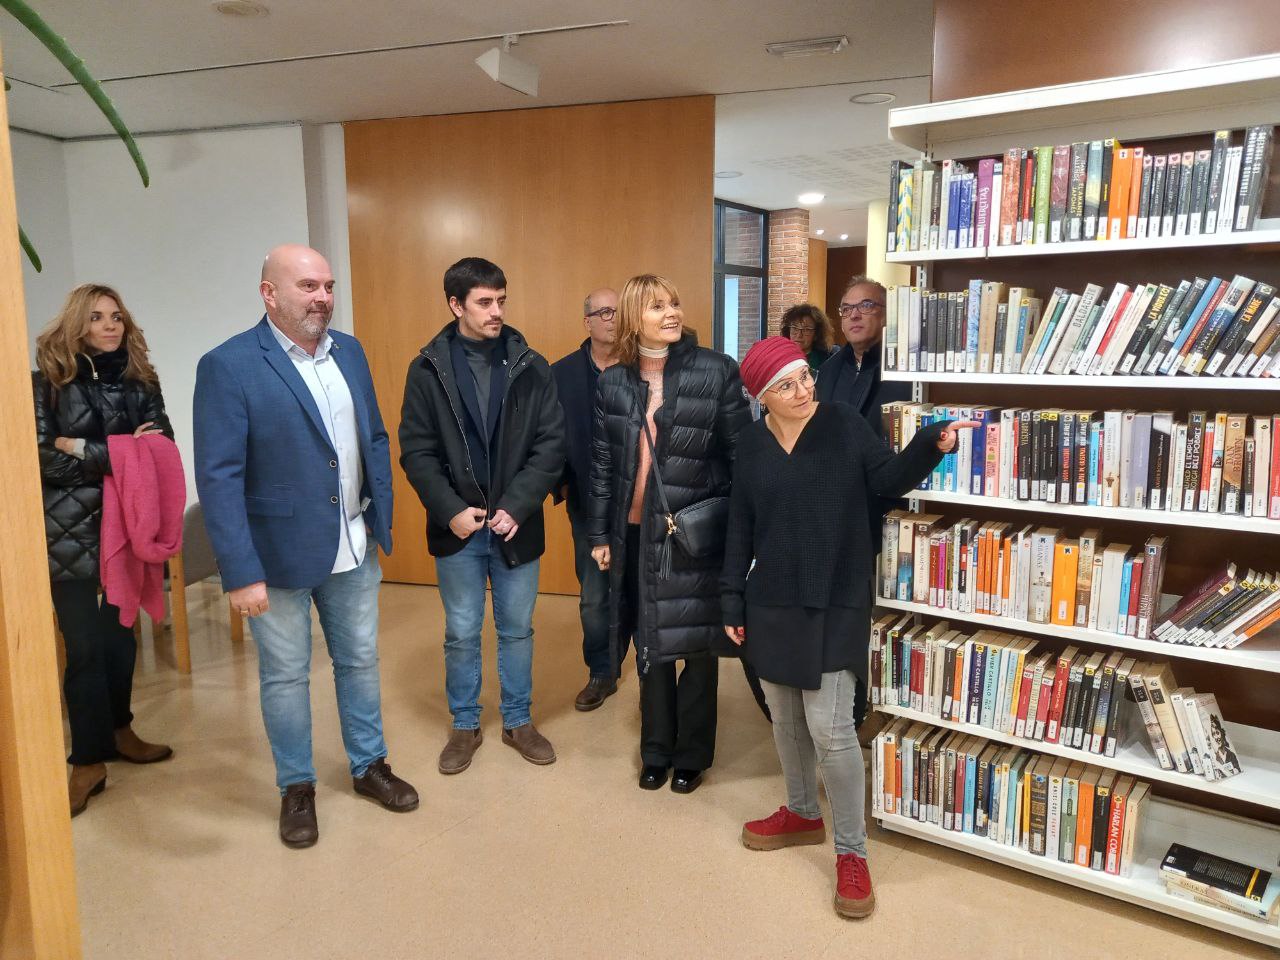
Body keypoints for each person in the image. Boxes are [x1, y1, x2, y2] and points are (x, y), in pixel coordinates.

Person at [721, 336, 973, 919]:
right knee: (783, 717)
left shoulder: (842, 424)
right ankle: (802, 811)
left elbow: (888, 479)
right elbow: (740, 524)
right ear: (763, 397)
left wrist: (930, 445)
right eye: (787, 385)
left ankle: (852, 852)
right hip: (772, 600)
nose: (805, 389)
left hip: (835, 598)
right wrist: (732, 600)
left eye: (806, 376)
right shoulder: (752, 446)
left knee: (831, 729)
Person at [194, 244, 418, 849]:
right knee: (287, 677)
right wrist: (240, 572)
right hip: (277, 556)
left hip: (353, 542)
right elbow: (218, 479)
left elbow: (371, 434)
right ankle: (297, 788)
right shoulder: (230, 365)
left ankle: (370, 765)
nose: (321, 297)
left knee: (361, 662)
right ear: (269, 293)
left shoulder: (350, 350)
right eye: (306, 286)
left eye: (327, 285)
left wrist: (379, 519)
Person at [399, 257, 566, 775]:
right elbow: (416, 450)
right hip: (459, 530)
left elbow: (551, 444)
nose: (497, 312)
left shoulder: (530, 365)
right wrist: (449, 510)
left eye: (502, 300)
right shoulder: (427, 368)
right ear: (455, 305)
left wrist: (518, 504)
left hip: (516, 525)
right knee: (463, 630)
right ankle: (465, 725)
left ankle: (518, 720)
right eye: (485, 302)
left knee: (517, 628)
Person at [587, 274, 750, 794]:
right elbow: (602, 465)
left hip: (694, 536)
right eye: (658, 306)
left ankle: (693, 755)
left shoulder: (716, 371)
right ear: (636, 317)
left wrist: (739, 533)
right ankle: (655, 750)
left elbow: (740, 454)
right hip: (635, 535)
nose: (672, 313)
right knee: (652, 647)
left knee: (699, 650)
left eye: (674, 303)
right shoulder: (613, 381)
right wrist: (600, 535)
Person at [34, 284, 175, 817]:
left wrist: (85, 448)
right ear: (77, 324)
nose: (110, 325)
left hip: (126, 529)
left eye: (116, 316)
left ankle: (121, 730)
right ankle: (87, 761)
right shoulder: (45, 384)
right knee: (85, 648)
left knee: (120, 640)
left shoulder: (142, 382)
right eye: (97, 317)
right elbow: (46, 462)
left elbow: (161, 453)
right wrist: (122, 453)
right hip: (66, 532)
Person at [552, 287, 620, 711]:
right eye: (605, 312)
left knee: (641, 588)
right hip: (586, 502)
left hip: (638, 499)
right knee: (594, 594)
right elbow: (548, 434)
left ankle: (650, 664)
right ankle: (601, 672)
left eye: (618, 311)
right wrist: (560, 482)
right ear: (588, 321)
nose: (613, 318)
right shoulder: (561, 374)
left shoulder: (640, 368)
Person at [816, 276, 912, 437]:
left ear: (887, 314)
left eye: (866, 305)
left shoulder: (907, 370)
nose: (854, 315)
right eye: (846, 309)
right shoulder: (827, 371)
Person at [779, 303, 836, 378]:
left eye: (806, 330)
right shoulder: (780, 357)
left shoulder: (827, 361)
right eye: (795, 328)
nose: (799, 335)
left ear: (816, 334)